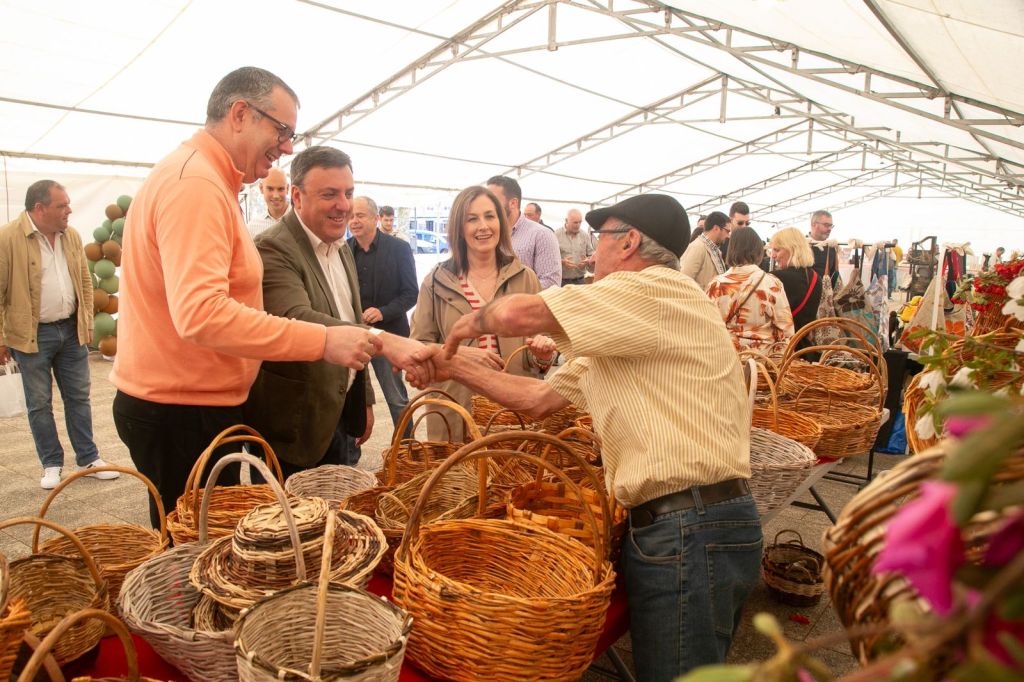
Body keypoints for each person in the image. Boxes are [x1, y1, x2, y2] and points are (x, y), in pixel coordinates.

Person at [415, 193, 760, 681]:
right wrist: (453, 367)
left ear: (630, 243)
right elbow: (536, 399)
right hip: (689, 525)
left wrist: (460, 332)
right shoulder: (627, 331)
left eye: (601, 239)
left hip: (690, 525)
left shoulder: (654, 291)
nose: (591, 252)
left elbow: (517, 315)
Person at [111, 67, 433, 527]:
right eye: (281, 131)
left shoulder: (207, 180)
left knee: (203, 539)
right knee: (191, 551)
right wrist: (326, 341)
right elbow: (201, 314)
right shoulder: (196, 185)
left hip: (195, 404)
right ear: (240, 113)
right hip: (181, 409)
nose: (285, 147)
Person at [245, 148, 431, 474]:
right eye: (329, 194)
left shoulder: (342, 248)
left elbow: (351, 319)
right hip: (297, 426)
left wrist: (365, 402)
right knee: (293, 521)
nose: (343, 205)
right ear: (297, 196)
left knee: (336, 513)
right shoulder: (274, 246)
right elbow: (296, 316)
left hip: (341, 416)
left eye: (348, 193)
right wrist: (386, 341)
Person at [409, 185, 556, 442]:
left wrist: (542, 356)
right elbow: (416, 346)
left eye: (490, 216)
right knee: (459, 479)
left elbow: (537, 353)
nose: (483, 226)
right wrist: (461, 352)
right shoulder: (436, 281)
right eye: (472, 219)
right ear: (458, 227)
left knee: (512, 479)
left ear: (501, 222)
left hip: (511, 413)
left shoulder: (524, 278)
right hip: (455, 411)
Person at [0, 180, 119, 489]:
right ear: (39, 209)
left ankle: (89, 458)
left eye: (68, 203)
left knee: (79, 396)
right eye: (62, 205)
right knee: (39, 403)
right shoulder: (8, 237)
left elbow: (83, 279)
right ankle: (51, 463)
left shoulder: (72, 235)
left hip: (70, 329)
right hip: (31, 335)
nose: (69, 209)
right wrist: (1, 337)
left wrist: (88, 322)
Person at [347, 194, 418, 438]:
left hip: (389, 337)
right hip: (353, 336)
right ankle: (349, 459)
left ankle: (407, 451)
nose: (354, 221)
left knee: (396, 398)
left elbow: (411, 293)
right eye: (350, 216)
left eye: (360, 215)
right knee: (349, 397)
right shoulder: (343, 251)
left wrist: (382, 312)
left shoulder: (398, 248)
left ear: (376, 218)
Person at [706, 226, 794, 351]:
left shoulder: (716, 285)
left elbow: (708, 328)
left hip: (727, 358)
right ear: (758, 250)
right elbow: (786, 330)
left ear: (731, 250)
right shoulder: (772, 283)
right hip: (764, 362)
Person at [485, 176, 561, 289]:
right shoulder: (486, 233)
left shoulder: (542, 234)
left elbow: (550, 284)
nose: (487, 206)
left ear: (513, 203)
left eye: (493, 201)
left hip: (521, 305)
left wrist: (508, 296)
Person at [770, 227, 823, 347]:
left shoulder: (775, 279)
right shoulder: (816, 278)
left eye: (777, 250)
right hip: (803, 348)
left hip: (779, 349)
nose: (772, 255)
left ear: (792, 249)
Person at [680, 210, 729, 289]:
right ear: (716, 228)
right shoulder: (697, 248)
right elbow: (684, 281)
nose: (728, 235)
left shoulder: (715, 250)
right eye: (727, 231)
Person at [246, 167, 289, 239]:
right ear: (261, 188)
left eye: (280, 189)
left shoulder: (301, 219)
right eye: (270, 189)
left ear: (287, 189)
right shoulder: (252, 228)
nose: (276, 196)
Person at [555, 208, 594, 286]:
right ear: (566, 221)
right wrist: (562, 262)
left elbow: (591, 255)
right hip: (561, 282)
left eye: (580, 222)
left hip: (580, 281)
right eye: (575, 222)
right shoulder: (556, 235)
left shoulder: (585, 235)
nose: (578, 225)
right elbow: (550, 259)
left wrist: (587, 260)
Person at [808, 209, 839, 288]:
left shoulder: (831, 248)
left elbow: (832, 274)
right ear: (813, 224)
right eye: (826, 225)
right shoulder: (801, 246)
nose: (829, 229)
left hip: (824, 296)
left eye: (831, 226)